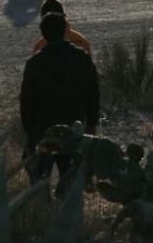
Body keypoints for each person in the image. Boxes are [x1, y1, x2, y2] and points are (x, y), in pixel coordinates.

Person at [20, 12, 100, 184]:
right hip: (75, 127)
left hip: (42, 130)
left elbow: (26, 99)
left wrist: (29, 130)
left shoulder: (35, 62)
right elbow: (93, 94)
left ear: (43, 34)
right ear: (65, 31)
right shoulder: (82, 58)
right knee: (71, 181)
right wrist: (92, 124)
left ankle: (42, 209)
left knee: (40, 180)